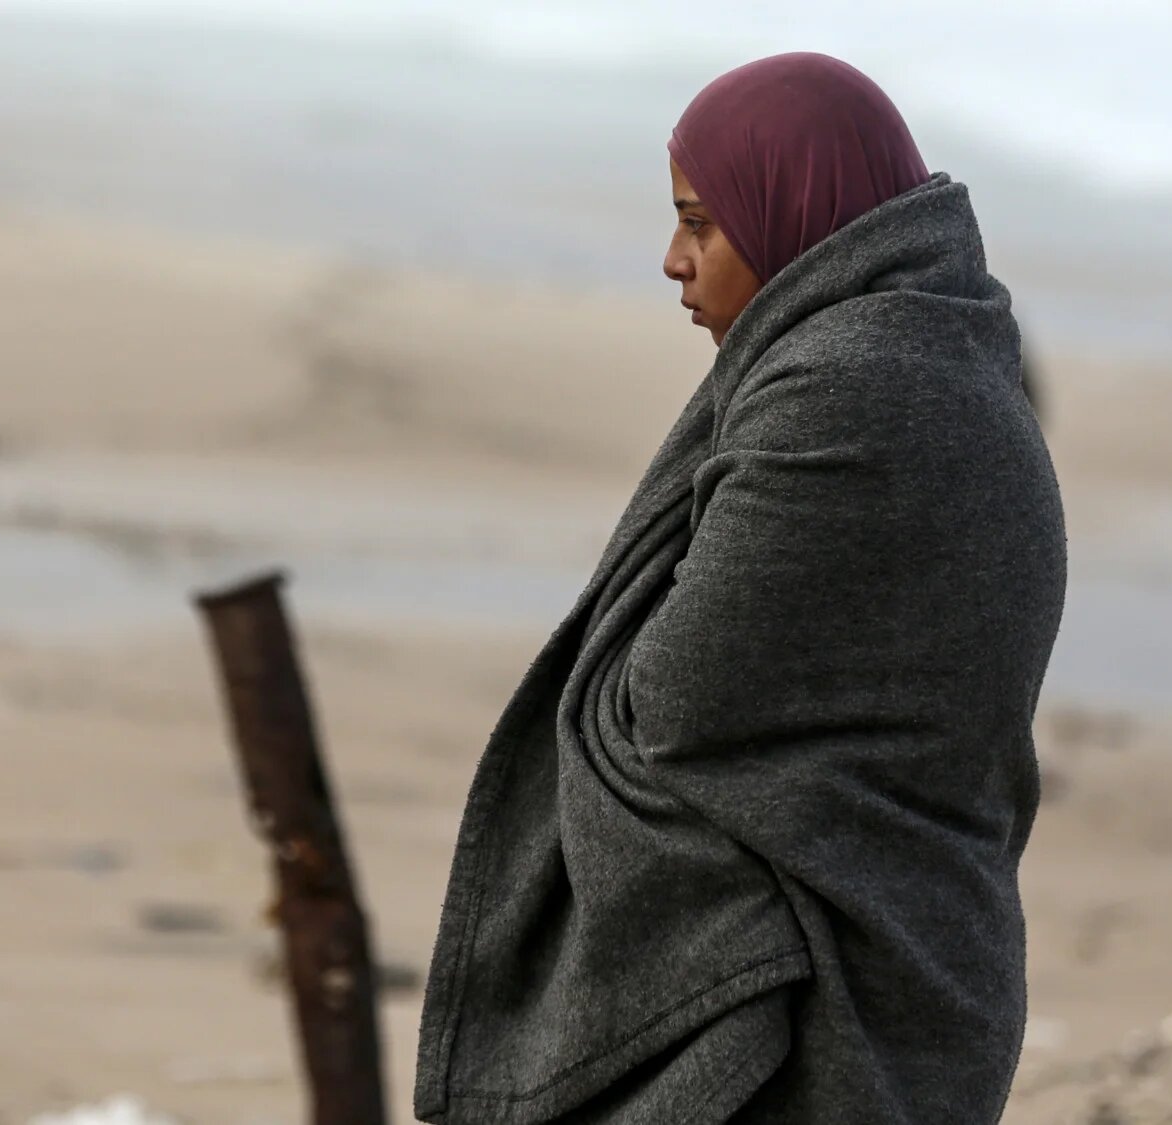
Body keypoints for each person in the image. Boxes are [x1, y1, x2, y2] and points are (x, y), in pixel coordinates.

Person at [413, 53, 1067, 1125]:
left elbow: (672, 703)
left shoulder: (850, 389)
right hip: (929, 960)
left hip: (820, 1004)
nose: (673, 260)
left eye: (701, 224)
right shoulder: (949, 349)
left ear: (791, 208)